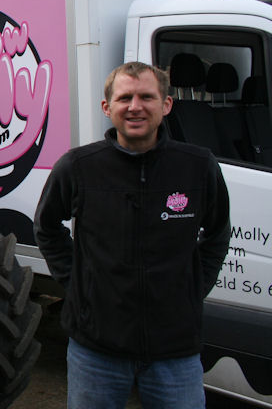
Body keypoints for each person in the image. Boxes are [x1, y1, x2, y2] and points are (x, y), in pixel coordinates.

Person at [34, 62, 230, 409]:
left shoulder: (198, 166)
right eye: (125, 98)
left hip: (175, 351)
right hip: (96, 351)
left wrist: (194, 288)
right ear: (107, 108)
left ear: (166, 104)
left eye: (146, 97)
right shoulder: (79, 166)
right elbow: (46, 228)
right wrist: (80, 285)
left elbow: (216, 234)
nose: (135, 106)